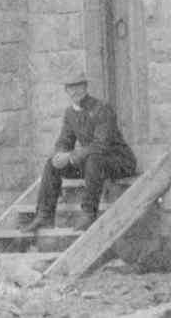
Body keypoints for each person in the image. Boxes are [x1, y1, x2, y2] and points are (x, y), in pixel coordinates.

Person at [27, 74, 136, 231]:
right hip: (93, 165)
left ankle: (88, 213)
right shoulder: (70, 113)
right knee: (52, 164)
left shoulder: (102, 108)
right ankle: (44, 215)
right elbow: (64, 140)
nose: (75, 91)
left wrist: (71, 157)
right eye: (71, 88)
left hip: (119, 161)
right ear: (66, 91)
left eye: (78, 86)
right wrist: (60, 154)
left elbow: (101, 145)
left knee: (94, 159)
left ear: (85, 87)